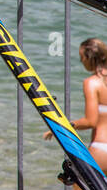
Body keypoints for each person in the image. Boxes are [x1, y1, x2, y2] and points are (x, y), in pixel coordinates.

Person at [45, 38, 107, 171]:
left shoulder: (92, 82)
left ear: (89, 57)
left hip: (102, 148)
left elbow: (91, 121)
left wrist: (64, 127)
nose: (81, 61)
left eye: (81, 57)